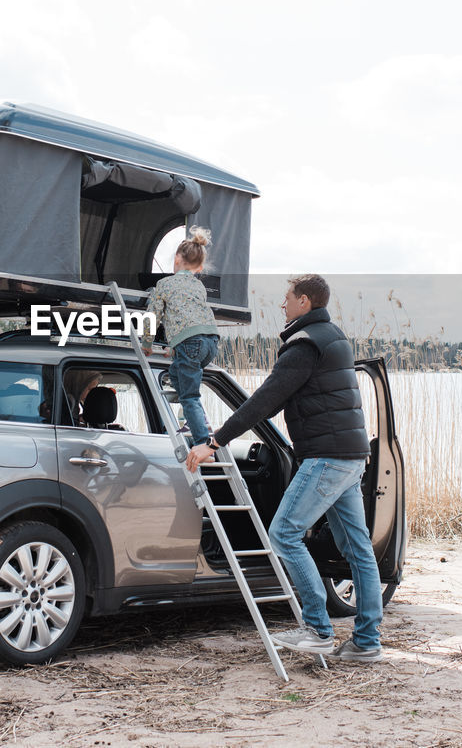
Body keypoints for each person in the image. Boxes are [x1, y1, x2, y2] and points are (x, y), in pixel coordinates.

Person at [186, 274, 383, 663]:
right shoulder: (335, 337)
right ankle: (366, 641)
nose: (282, 305)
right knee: (358, 549)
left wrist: (214, 441)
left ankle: (317, 630)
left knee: (284, 533)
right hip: (351, 455)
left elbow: (265, 401)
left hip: (326, 457)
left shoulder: (304, 344)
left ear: (305, 301)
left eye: (287, 298)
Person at [140, 227, 219, 448]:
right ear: (200, 267)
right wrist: (175, 346)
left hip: (191, 344)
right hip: (211, 342)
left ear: (176, 259)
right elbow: (189, 318)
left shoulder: (164, 284)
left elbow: (151, 318)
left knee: (189, 396)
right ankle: (192, 421)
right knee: (175, 373)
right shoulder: (199, 286)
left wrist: (147, 344)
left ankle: (203, 443)